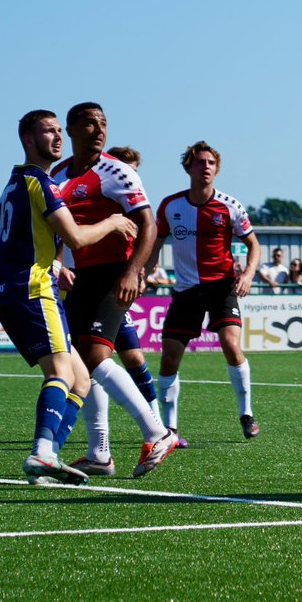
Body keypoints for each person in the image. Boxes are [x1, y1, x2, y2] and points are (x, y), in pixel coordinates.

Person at [0, 109, 138, 484]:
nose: (56, 137)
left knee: (81, 379)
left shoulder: (13, 183)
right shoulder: (41, 182)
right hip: (33, 290)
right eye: (47, 132)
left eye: (58, 131)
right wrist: (115, 222)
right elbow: (77, 238)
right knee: (60, 372)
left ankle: (49, 456)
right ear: (28, 140)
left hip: (6, 290)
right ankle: (41, 452)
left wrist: (37, 251)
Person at [50, 102, 178, 477]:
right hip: (84, 275)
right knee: (79, 361)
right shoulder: (58, 173)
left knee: (91, 355)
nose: (99, 129)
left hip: (114, 273)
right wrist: (58, 263)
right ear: (71, 130)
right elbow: (57, 224)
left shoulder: (116, 171)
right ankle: (99, 453)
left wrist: (133, 271)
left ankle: (158, 432)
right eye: (89, 123)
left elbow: (148, 225)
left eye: (103, 123)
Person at [149, 140, 263, 441]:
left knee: (230, 344)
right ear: (189, 167)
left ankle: (246, 414)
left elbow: (254, 244)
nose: (206, 167)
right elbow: (156, 242)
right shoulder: (171, 205)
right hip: (187, 291)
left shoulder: (230, 205)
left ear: (217, 169)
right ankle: (170, 429)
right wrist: (141, 272)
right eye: (200, 162)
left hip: (222, 288)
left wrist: (248, 274)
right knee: (169, 357)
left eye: (211, 163)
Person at [103, 145, 164, 438]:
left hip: (115, 291)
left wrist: (139, 273)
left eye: (135, 172)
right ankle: (96, 440)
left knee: (133, 358)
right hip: (90, 287)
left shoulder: (137, 209)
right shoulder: (99, 202)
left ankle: (158, 425)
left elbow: (148, 240)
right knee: (86, 364)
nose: (132, 177)